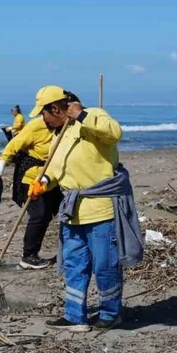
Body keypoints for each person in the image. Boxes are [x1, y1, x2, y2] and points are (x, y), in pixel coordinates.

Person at [26, 86, 142, 333]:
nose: (42, 119)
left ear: (55, 109)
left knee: (105, 265)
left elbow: (114, 133)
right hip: (73, 211)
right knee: (74, 264)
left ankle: (110, 314)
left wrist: (82, 115)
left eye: (43, 114)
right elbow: (57, 169)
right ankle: (74, 315)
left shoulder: (94, 116)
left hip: (101, 210)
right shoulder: (61, 133)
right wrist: (43, 183)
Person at [0, 114, 59, 270]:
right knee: (39, 214)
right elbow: (15, 144)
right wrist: (2, 164)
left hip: (51, 178)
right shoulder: (36, 126)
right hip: (31, 177)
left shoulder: (65, 127)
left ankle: (63, 252)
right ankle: (28, 256)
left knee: (51, 213)